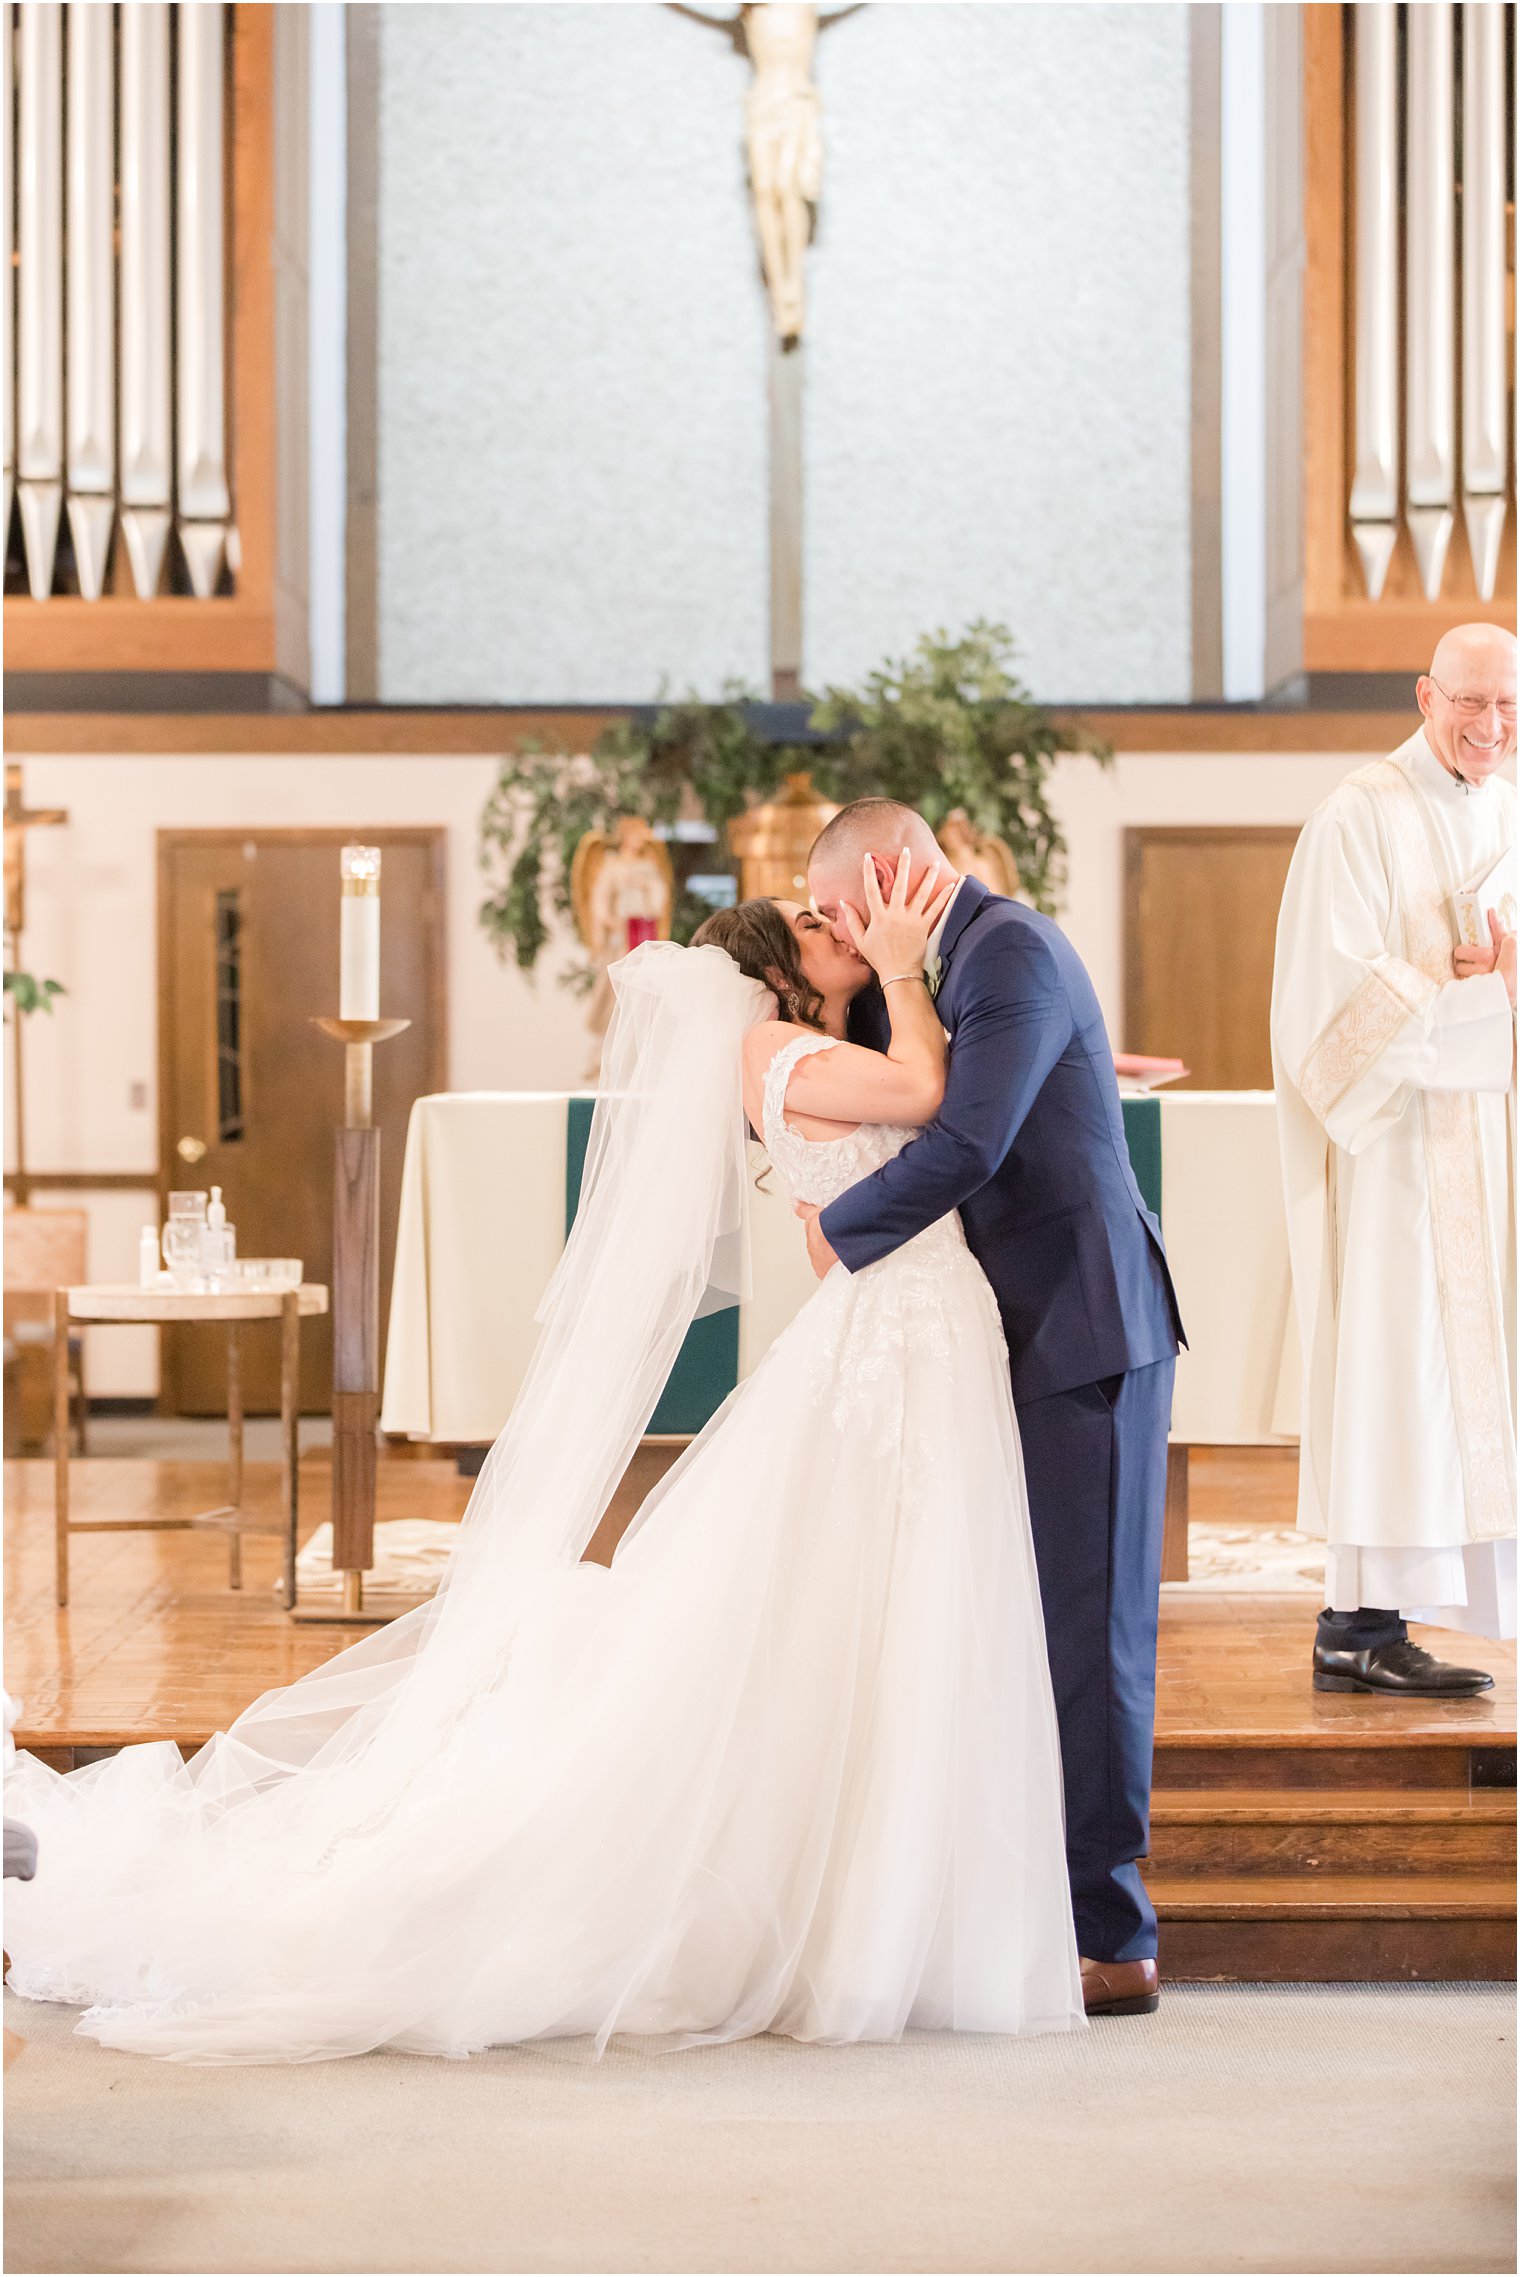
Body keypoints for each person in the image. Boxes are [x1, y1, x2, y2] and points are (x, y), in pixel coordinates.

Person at [4, 856, 1086, 2062]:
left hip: (908, 1333)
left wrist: (888, 977)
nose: (835, 927)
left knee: (894, 1605)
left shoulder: (826, 1042)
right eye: (809, 924)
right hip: (892, 1337)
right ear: (770, 974)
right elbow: (935, 1089)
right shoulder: (774, 1051)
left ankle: (892, 1907)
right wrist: (895, 963)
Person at [803, 801, 1184, 2018]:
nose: (841, 938)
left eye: (836, 912)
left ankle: (1112, 1938)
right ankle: (1024, 1906)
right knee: (1014, 1627)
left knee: (1091, 1641)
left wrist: (834, 1233)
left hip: (1083, 1328)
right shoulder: (946, 966)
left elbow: (968, 1140)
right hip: (1010, 1334)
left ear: (881, 877)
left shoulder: (1007, 949)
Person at [1271, 624, 1517, 1694]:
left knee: (1453, 1378)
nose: (1489, 726)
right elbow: (1322, 1006)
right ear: (1424, 695)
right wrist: (1461, 991)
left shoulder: (1505, 802)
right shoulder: (1354, 815)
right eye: (1469, 702)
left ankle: (1401, 1611)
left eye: (1507, 707)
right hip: (1392, 1150)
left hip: (1477, 1133)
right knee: (1392, 1367)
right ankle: (1355, 1622)